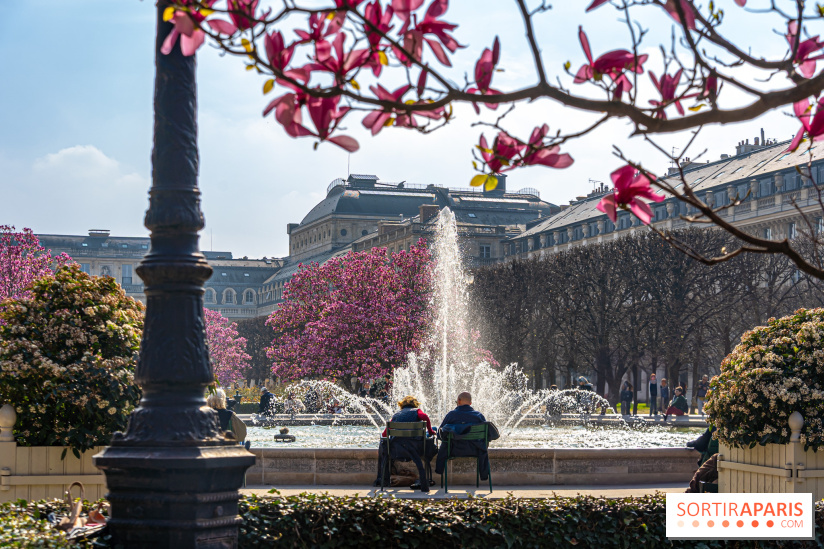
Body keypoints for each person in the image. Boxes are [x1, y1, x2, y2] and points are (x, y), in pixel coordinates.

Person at [434, 391, 498, 483]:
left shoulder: (451, 415)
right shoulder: (479, 416)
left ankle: (440, 470)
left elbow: (440, 435)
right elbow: (486, 437)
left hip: (453, 450)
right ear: (470, 403)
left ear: (459, 401)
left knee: (445, 442)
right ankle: (483, 475)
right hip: (476, 450)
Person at [376, 395, 437, 492]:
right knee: (434, 429)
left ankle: (383, 479)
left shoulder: (396, 415)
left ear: (402, 405)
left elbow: (384, 434)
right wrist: (430, 431)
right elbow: (425, 417)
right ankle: (425, 481)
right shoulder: (417, 411)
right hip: (415, 448)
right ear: (415, 404)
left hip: (397, 450)